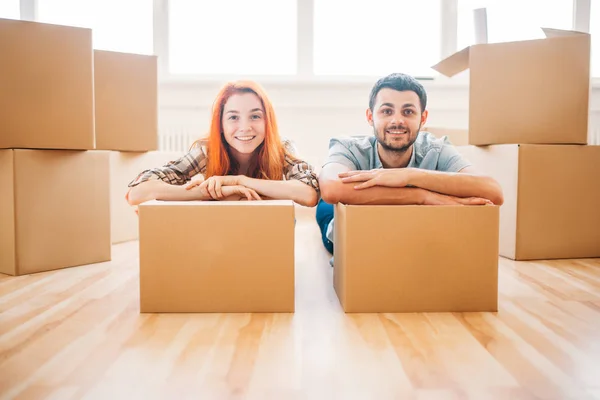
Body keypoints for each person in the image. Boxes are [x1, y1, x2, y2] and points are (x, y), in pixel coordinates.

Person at [316, 72, 504, 257]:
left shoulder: (436, 149)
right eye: (386, 111)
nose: (397, 121)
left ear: (422, 118)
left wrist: (410, 175)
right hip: (343, 219)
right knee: (326, 205)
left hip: (412, 234)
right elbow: (332, 189)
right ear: (370, 116)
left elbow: (493, 192)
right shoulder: (349, 147)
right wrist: (421, 196)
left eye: (408, 112)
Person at [126, 80, 320, 207]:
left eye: (255, 116)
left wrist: (239, 180)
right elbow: (137, 192)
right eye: (233, 117)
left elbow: (309, 194)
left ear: (267, 120)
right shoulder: (207, 150)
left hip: (269, 230)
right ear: (220, 124)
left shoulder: (281, 147)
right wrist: (210, 193)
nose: (245, 127)